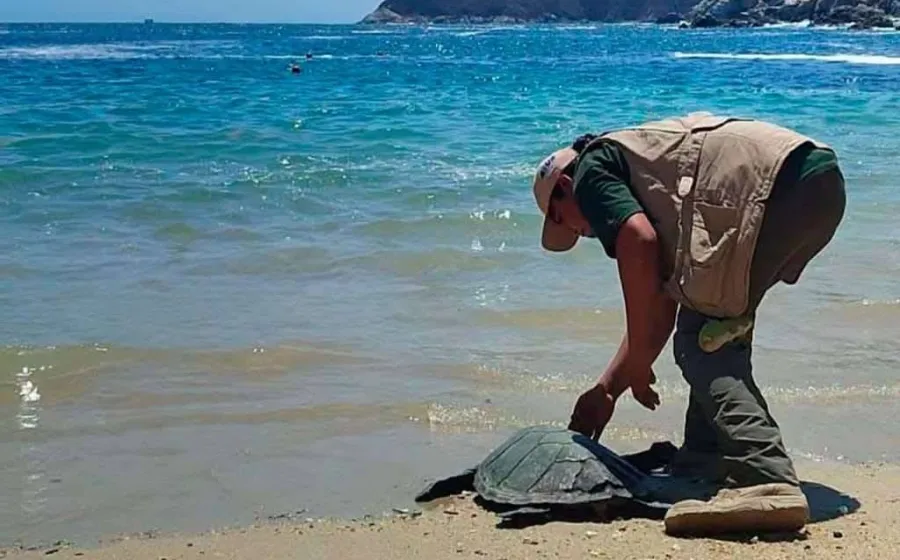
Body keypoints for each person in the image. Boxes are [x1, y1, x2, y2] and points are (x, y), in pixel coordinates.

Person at [529, 112, 846, 536]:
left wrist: (638, 368)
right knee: (712, 328)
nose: (589, 234)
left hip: (776, 189)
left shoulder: (590, 170)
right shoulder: (634, 165)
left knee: (700, 343)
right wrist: (610, 389)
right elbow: (661, 306)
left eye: (575, 227)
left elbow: (637, 241)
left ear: (564, 190)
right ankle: (706, 458)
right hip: (815, 180)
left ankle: (769, 479)